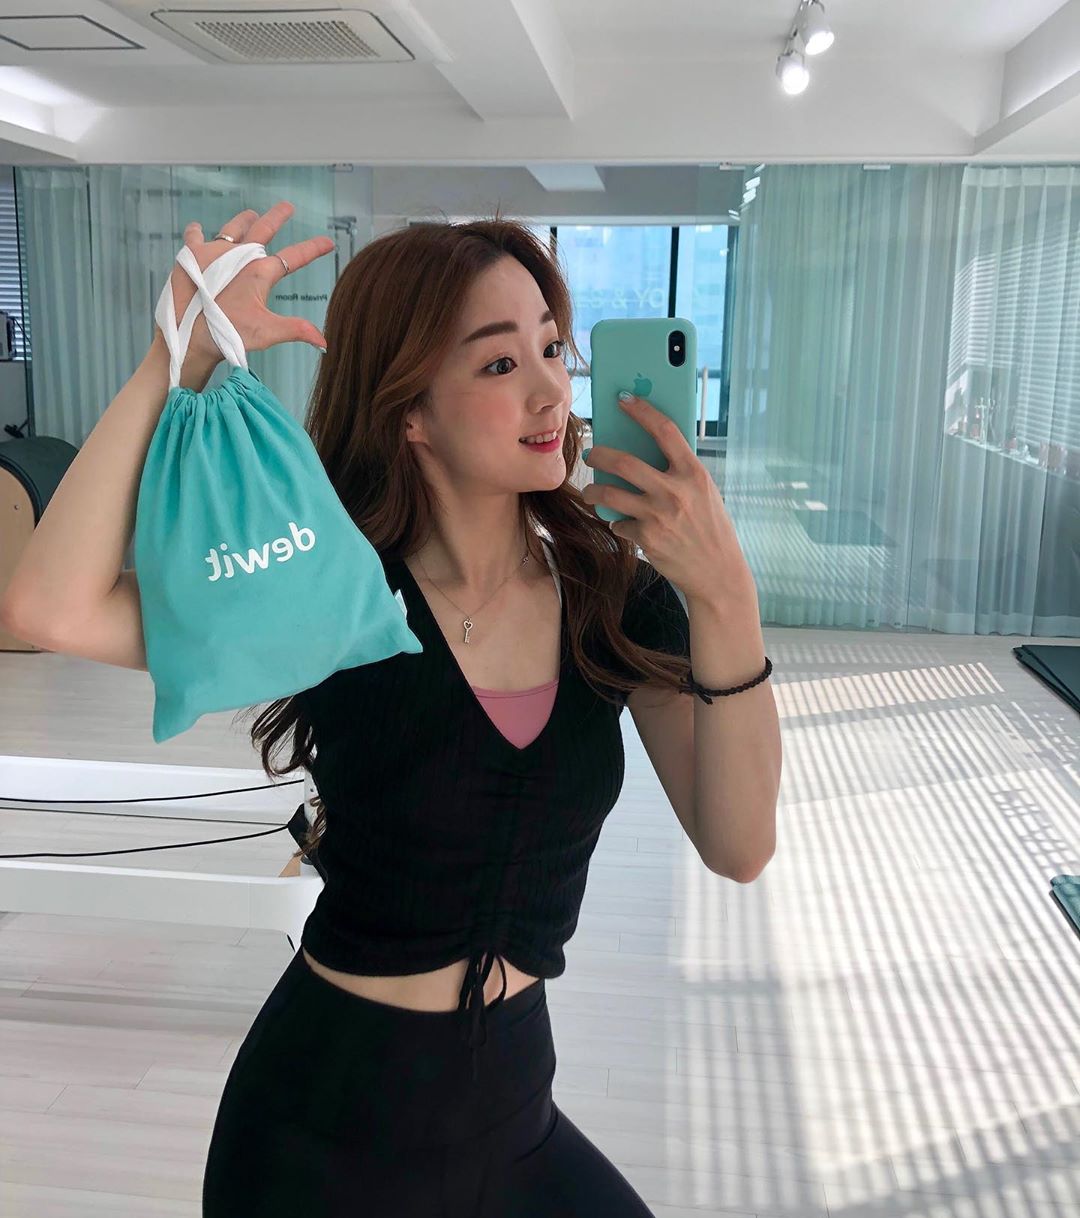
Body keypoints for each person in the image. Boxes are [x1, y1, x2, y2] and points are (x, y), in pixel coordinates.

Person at [2, 201, 777, 1216]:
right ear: (410, 409)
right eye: (500, 363)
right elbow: (46, 607)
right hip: (322, 1137)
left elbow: (739, 845)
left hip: (512, 1119)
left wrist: (726, 597)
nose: (552, 388)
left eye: (553, 348)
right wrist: (172, 362)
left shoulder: (614, 601)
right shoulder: (333, 591)